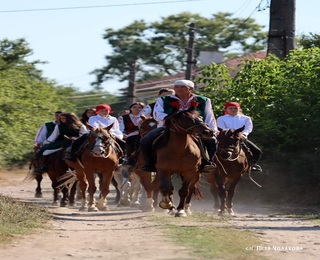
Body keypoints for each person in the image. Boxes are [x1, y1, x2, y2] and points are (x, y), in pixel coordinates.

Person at [139, 79, 218, 173]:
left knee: (212, 141)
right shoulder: (163, 100)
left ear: (191, 89)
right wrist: (172, 118)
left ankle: (207, 163)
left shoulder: (203, 100)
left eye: (183, 87)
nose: (179, 89)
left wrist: (212, 130)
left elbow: (209, 116)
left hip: (195, 129)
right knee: (145, 140)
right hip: (168, 127)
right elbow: (157, 114)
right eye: (177, 87)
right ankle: (149, 164)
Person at [217, 101, 263, 172]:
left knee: (257, 151)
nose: (233, 110)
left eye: (235, 108)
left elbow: (248, 128)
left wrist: (243, 134)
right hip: (226, 138)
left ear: (239, 109)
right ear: (226, 109)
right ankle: (210, 163)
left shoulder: (246, 118)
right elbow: (222, 128)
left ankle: (252, 165)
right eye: (230, 108)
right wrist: (229, 133)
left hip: (240, 138)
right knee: (213, 147)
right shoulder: (221, 118)